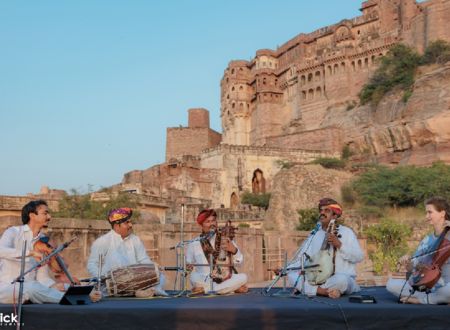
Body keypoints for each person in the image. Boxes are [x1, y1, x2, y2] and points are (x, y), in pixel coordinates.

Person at [0, 200, 101, 304]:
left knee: (67, 287)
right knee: (31, 288)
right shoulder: (13, 232)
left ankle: (82, 295)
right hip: (8, 288)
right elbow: (1, 251)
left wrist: (55, 286)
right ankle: (71, 299)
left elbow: (42, 278)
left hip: (34, 287)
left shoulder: (44, 241)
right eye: (45, 213)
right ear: (32, 215)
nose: (49, 217)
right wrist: (30, 253)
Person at [287, 198, 363, 299]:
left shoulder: (347, 232)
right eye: (321, 210)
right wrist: (285, 269)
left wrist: (340, 245)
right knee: (292, 275)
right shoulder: (314, 234)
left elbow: (359, 257)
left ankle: (309, 290)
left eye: (327, 211)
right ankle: (324, 292)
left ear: (335, 215)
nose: (322, 213)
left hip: (337, 279)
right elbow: (301, 258)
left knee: (342, 280)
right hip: (317, 279)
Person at [87, 207, 167, 297]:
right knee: (115, 257)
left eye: (130, 222)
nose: (130, 225)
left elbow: (143, 259)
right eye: (127, 222)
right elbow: (91, 264)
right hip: (113, 283)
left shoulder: (135, 239)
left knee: (160, 275)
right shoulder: (103, 241)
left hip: (137, 280)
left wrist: (153, 268)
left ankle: (146, 290)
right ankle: (139, 292)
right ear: (117, 225)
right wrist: (103, 277)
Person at [386, 196, 450, 304]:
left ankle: (422, 300)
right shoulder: (427, 240)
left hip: (447, 284)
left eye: (430, 212)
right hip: (429, 284)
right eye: (426, 213)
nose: (426, 216)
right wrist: (408, 262)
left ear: (442, 213)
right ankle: (436, 298)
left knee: (448, 291)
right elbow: (413, 268)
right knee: (391, 285)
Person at [185, 209, 248, 295]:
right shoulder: (194, 243)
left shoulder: (226, 239)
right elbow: (188, 263)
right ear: (201, 225)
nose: (211, 224)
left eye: (213, 220)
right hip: (204, 278)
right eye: (207, 221)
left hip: (225, 278)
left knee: (243, 277)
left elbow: (239, 263)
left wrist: (234, 250)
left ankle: (205, 290)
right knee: (193, 277)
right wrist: (188, 266)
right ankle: (231, 289)